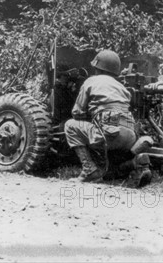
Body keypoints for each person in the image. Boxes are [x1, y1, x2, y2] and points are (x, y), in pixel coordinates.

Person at [64, 50, 153, 187]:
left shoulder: (91, 81)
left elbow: (77, 112)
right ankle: (135, 163)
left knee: (70, 125)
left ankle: (89, 170)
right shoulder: (122, 87)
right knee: (109, 169)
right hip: (130, 135)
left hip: (109, 134)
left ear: (97, 68)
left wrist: (88, 117)